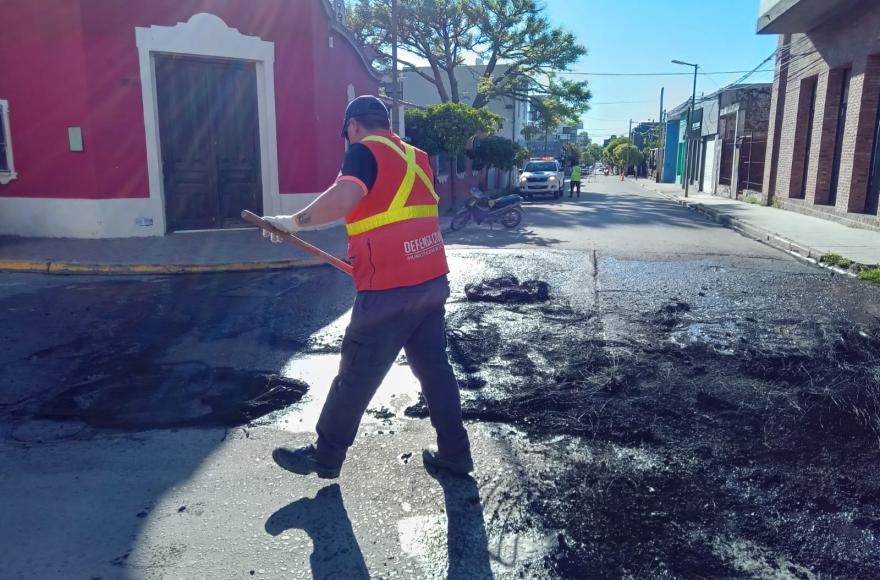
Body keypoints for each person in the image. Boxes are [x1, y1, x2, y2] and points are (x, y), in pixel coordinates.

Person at [261, 96, 472, 479]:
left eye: (348, 134)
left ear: (353, 126)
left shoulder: (363, 151)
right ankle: (455, 452)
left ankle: (325, 456)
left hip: (389, 289)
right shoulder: (417, 157)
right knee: (435, 370)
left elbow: (345, 197)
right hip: (430, 281)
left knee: (356, 373)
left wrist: (293, 222)